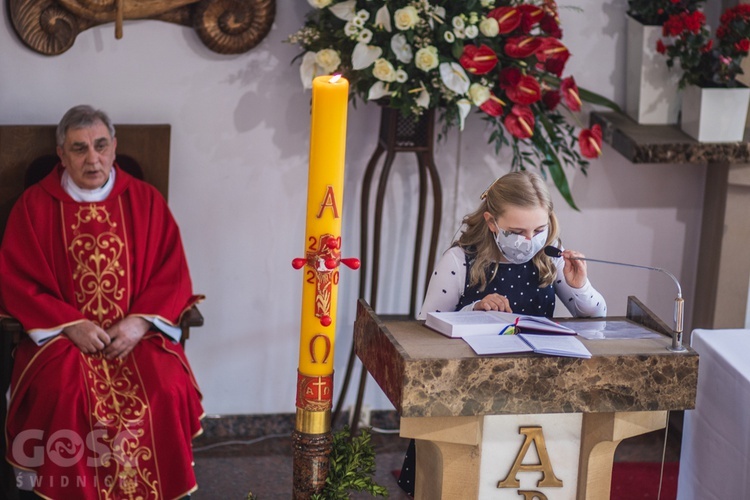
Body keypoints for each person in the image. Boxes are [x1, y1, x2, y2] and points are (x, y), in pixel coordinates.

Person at [0, 105, 204, 499]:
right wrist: (69, 324)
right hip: (64, 340)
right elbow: (17, 281)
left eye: (100, 145)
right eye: (79, 149)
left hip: (135, 337)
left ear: (114, 147)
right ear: (61, 154)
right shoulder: (33, 207)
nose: (92, 159)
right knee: (65, 394)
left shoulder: (145, 201)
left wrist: (140, 322)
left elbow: (172, 272)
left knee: (166, 387)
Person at [397, 170, 606, 496]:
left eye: (539, 229)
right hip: (469, 395)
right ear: (492, 222)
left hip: (537, 389)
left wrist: (582, 287)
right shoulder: (459, 261)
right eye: (517, 231)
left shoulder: (548, 256)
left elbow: (596, 318)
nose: (529, 240)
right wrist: (473, 311)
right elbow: (425, 330)